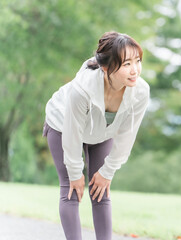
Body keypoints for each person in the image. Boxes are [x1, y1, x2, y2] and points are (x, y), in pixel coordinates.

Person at [42, 31, 150, 240]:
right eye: (127, 64)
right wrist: (75, 173)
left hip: (102, 134)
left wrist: (107, 171)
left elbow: (127, 134)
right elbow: (72, 134)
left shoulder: (140, 91)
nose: (135, 70)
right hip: (62, 126)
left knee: (101, 191)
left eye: (137, 61)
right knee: (71, 190)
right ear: (106, 67)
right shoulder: (82, 89)